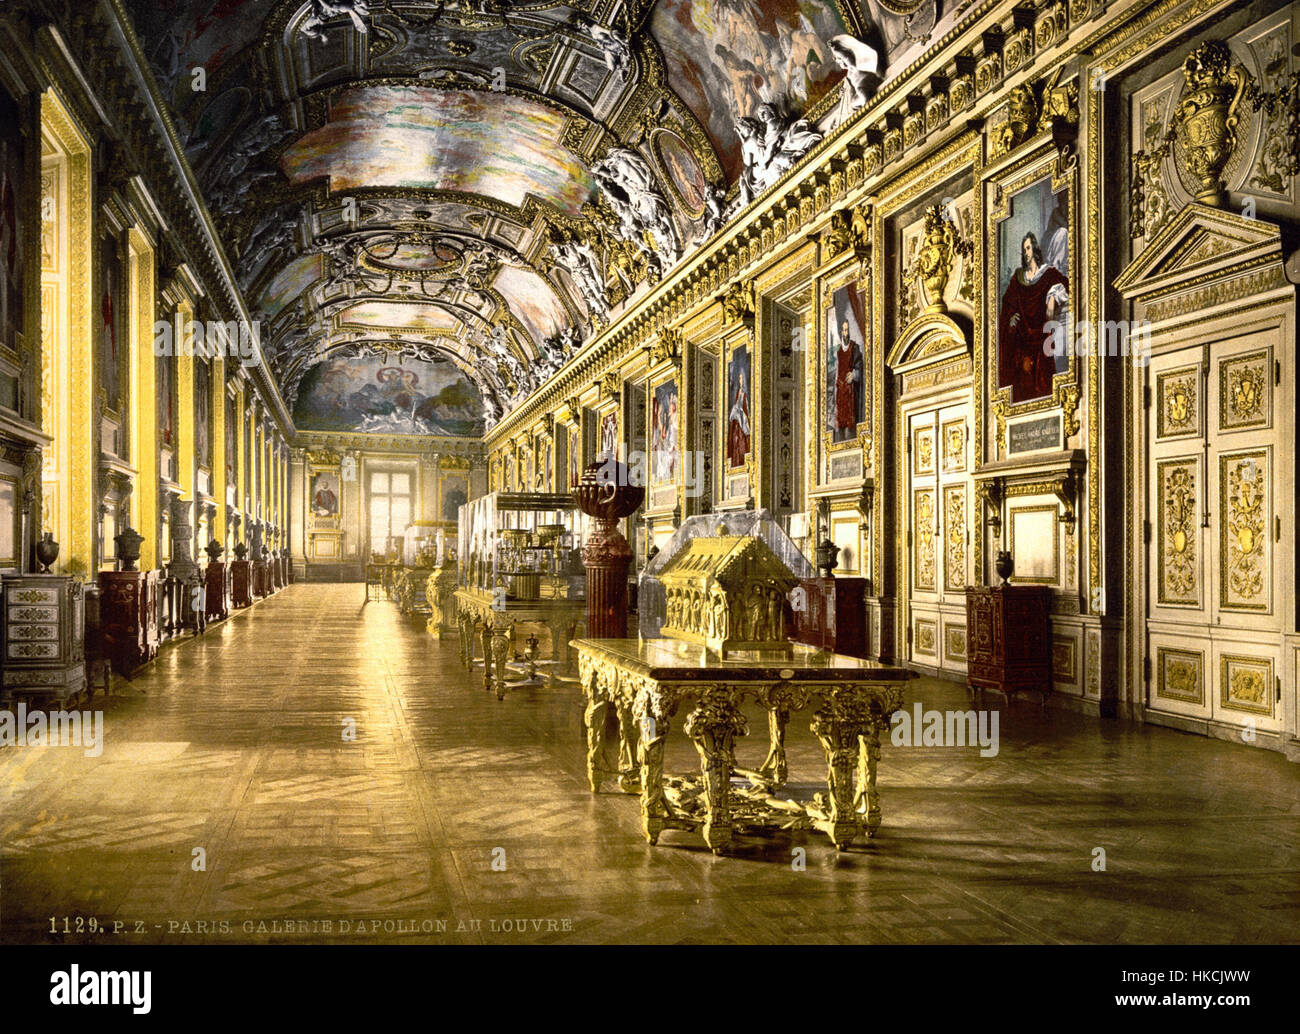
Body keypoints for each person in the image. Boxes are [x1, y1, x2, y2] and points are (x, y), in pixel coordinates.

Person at [998, 232, 1069, 402]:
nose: (1026, 253)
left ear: (1035, 248)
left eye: (1028, 248)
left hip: (1041, 331)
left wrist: (1052, 297)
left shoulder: (1048, 273)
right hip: (1022, 335)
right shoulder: (1018, 278)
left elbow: (1064, 284)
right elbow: (1007, 303)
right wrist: (1010, 318)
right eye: (1024, 250)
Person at [831, 316, 864, 441]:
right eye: (843, 330)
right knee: (841, 423)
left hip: (850, 391)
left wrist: (854, 374)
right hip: (840, 391)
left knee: (850, 423)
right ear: (841, 332)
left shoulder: (854, 348)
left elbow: (859, 365)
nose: (845, 333)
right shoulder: (839, 351)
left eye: (847, 330)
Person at [727, 367, 750, 467]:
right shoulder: (738, 392)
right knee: (735, 441)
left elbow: (745, 408)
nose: (740, 380)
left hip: (742, 420)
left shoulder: (744, 393)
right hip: (737, 421)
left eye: (741, 378)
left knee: (740, 442)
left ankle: (741, 460)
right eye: (739, 378)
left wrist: (739, 411)